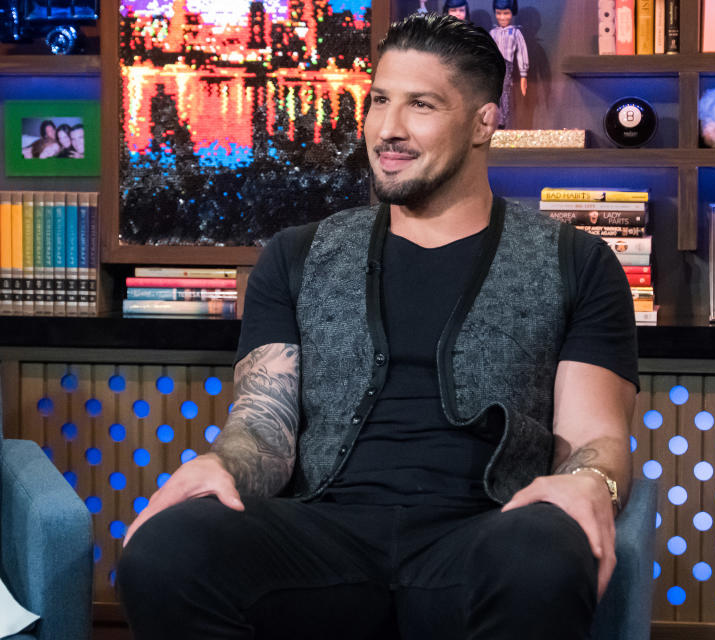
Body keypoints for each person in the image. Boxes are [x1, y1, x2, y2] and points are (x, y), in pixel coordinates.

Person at [117, 13, 637, 640]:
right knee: (165, 550)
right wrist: (223, 464)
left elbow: (593, 435)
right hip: (322, 537)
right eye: (380, 101)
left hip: (486, 533)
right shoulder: (297, 255)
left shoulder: (576, 262)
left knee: (546, 552)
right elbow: (263, 425)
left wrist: (590, 483)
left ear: (483, 123)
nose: (388, 130)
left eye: (421, 105)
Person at [489, 0, 528, 128]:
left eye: (506, 13)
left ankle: (502, 122)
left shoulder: (515, 33)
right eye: (499, 13)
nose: (502, 17)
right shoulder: (493, 32)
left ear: (512, 13)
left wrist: (523, 75)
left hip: (507, 65)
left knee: (504, 92)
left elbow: (521, 53)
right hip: (493, 67)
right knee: (493, 93)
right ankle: (493, 120)